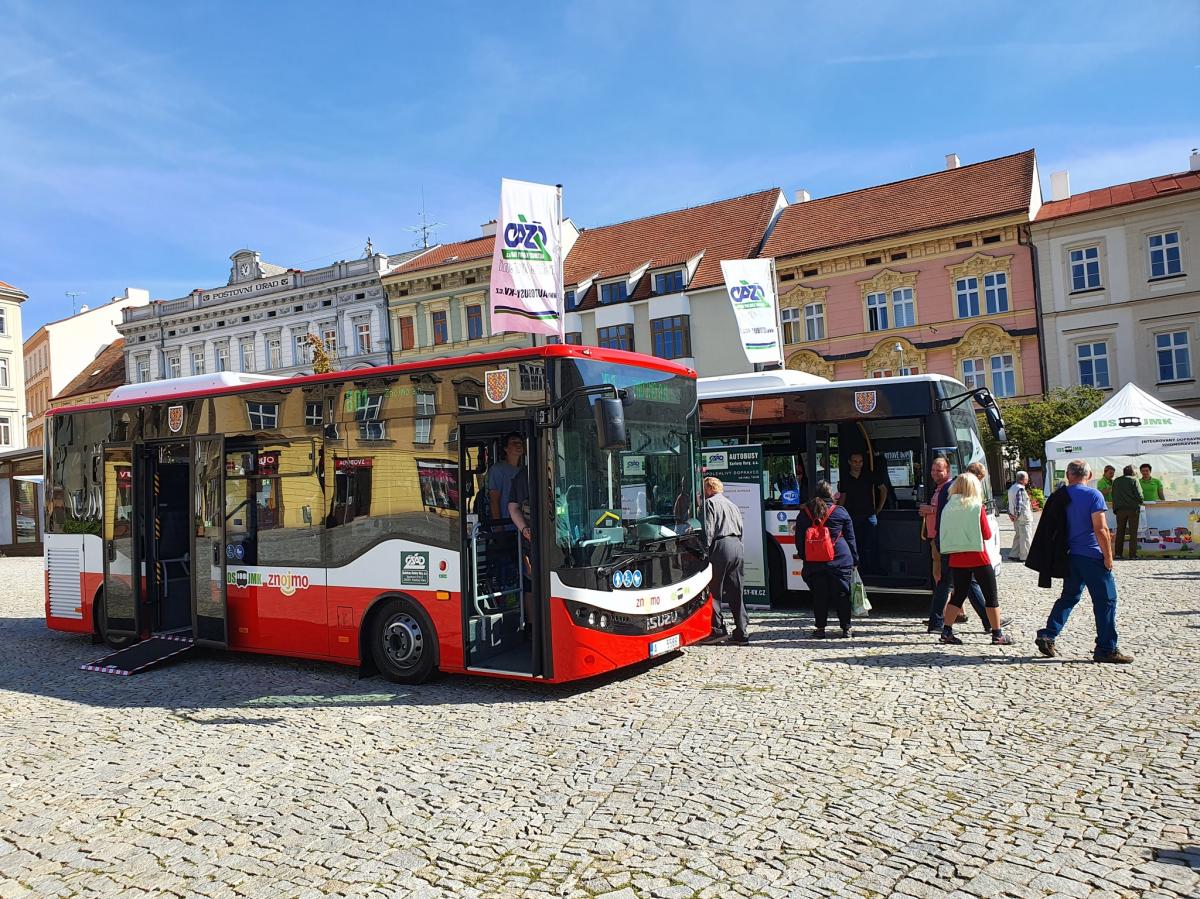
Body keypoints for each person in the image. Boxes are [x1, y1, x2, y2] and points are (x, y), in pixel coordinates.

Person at [1034, 459, 1133, 663]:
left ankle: (1048, 634)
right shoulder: (1093, 495)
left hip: (1069, 555)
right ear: (1088, 475)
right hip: (1091, 554)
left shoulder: (1059, 495)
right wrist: (1108, 556)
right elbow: (1101, 528)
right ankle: (1106, 648)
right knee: (1106, 601)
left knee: (1069, 597)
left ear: (1069, 475)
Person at [936, 472, 1013, 646]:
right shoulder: (977, 506)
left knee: (958, 596)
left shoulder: (948, 507)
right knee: (991, 596)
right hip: (978, 556)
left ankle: (946, 630)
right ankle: (997, 634)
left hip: (957, 556)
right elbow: (986, 534)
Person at [921, 457, 988, 633]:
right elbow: (946, 516)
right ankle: (987, 621)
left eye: (939, 470)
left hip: (947, 542)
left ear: (948, 471)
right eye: (933, 470)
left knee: (957, 582)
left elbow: (944, 515)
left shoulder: (946, 489)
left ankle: (938, 623)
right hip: (951, 543)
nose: (935, 473)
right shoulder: (946, 491)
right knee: (954, 582)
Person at [795, 480, 858, 639]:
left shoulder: (804, 513)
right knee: (842, 594)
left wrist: (805, 557)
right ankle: (846, 628)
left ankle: (820, 628)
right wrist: (854, 559)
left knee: (819, 595)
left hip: (814, 561)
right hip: (839, 559)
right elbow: (851, 538)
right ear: (831, 494)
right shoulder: (840, 512)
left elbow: (799, 540)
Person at [702, 476, 749, 645]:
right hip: (737, 546)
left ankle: (717, 630)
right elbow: (741, 528)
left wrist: (705, 552)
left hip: (720, 547)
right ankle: (741, 631)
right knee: (736, 591)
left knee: (714, 591)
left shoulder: (710, 504)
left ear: (709, 489)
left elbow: (709, 529)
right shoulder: (732, 505)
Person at [838, 452, 886, 575]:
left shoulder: (868, 475)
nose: (858, 464)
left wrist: (879, 508)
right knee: (857, 545)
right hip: (851, 517)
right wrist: (838, 512)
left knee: (873, 544)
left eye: (860, 462)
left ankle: (876, 570)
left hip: (869, 515)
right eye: (855, 461)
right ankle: (861, 571)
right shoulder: (845, 478)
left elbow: (883, 489)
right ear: (849, 462)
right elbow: (843, 497)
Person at [488, 432, 525, 524]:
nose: (518, 445)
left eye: (520, 442)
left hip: (523, 523)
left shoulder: (525, 470)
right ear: (505, 448)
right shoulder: (498, 469)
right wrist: (498, 525)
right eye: (514, 442)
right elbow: (494, 499)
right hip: (507, 523)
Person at [1112, 465, 1144, 560]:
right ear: (1133, 472)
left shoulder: (1116, 481)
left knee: (1120, 532)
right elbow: (1140, 496)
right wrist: (1139, 501)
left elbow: (1113, 494)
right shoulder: (1134, 480)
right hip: (1133, 509)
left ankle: (1118, 554)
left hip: (1120, 510)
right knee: (1133, 532)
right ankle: (1132, 555)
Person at [1007, 470, 1034, 562]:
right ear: (1023, 479)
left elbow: (1010, 502)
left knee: (1019, 535)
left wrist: (1011, 514)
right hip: (1022, 517)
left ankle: (1013, 554)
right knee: (1026, 536)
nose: (1027, 480)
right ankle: (1025, 556)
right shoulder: (1020, 489)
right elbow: (1020, 504)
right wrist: (1017, 515)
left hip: (1015, 516)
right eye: (1027, 479)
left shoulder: (1012, 488)